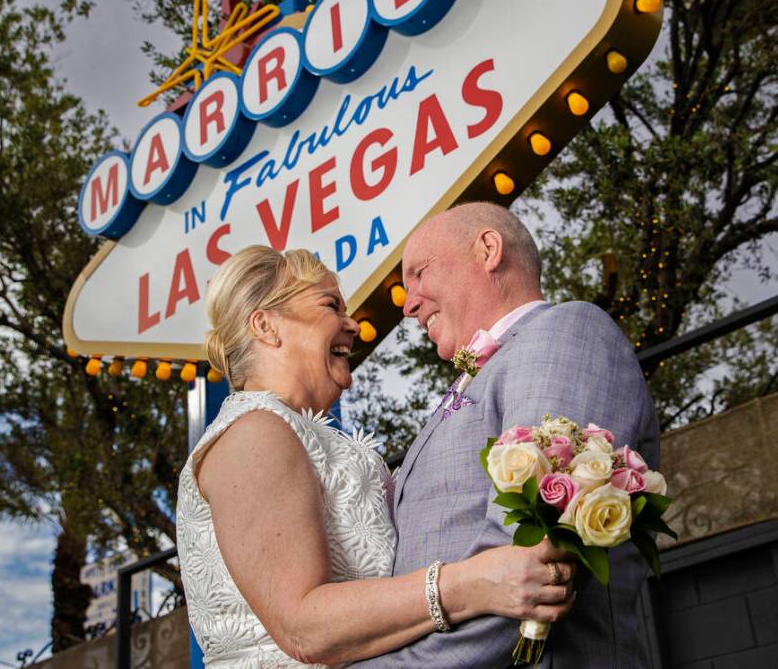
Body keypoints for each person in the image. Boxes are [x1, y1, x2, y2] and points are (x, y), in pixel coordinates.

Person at [176, 245, 577, 667]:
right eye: (331, 305)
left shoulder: (297, 433)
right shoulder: (253, 434)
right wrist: (473, 584)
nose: (353, 326)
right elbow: (303, 628)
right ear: (266, 326)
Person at [350, 202, 660, 669]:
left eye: (418, 274)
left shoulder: (563, 332)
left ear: (489, 249)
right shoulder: (482, 373)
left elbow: (524, 563)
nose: (408, 304)